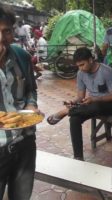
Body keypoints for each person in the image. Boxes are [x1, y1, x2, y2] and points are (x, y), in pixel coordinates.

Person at [47, 47, 112, 160]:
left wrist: (95, 99)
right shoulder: (81, 73)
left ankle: (67, 112)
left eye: (82, 64)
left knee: (95, 105)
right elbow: (81, 96)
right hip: (91, 106)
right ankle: (78, 157)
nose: (80, 68)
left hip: (109, 105)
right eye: (78, 66)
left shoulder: (106, 71)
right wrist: (73, 102)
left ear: (90, 60)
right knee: (74, 119)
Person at [0, 7, 39, 200]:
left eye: (6, 31)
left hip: (24, 143)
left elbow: (31, 88)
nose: (1, 38)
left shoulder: (21, 57)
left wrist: (31, 105)